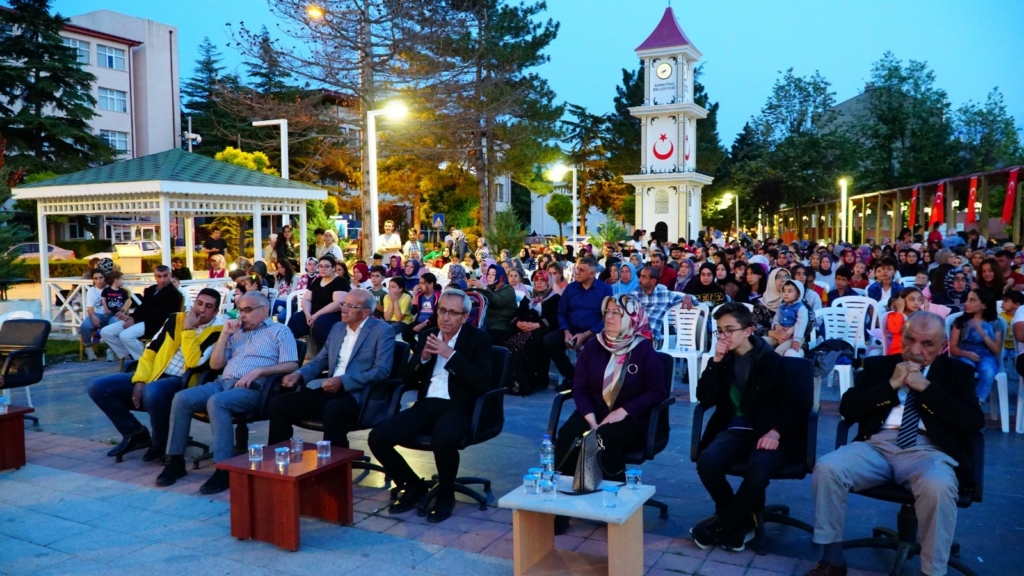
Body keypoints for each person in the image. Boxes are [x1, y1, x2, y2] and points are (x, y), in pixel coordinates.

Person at [805, 312, 984, 576]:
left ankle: (932, 571)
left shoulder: (957, 373)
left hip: (929, 450)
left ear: (942, 345)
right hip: (877, 444)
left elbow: (972, 422)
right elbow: (849, 408)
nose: (915, 350)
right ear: (901, 336)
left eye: (927, 344)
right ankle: (832, 560)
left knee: (938, 486)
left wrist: (926, 387)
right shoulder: (879, 366)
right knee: (829, 468)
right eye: (910, 340)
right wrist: (891, 385)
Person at [691, 303, 811, 551]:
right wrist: (714, 361)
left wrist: (776, 432)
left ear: (748, 330)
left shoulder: (771, 361)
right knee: (707, 462)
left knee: (758, 469)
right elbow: (705, 397)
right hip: (735, 428)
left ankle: (723, 524)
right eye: (720, 331)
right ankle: (742, 521)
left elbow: (797, 406)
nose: (724, 336)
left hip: (770, 431)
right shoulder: (723, 360)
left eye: (729, 330)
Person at [368, 290, 493, 524]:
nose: (445, 317)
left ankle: (446, 496)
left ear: (465, 316)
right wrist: (423, 358)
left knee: (443, 440)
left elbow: (483, 382)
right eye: (442, 310)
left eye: (453, 313)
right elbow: (406, 377)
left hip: (459, 406)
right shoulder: (428, 335)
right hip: (427, 404)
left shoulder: (479, 340)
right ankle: (413, 486)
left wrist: (450, 355)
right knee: (378, 437)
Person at [157, 292, 299, 494]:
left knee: (217, 402)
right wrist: (225, 335)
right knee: (182, 398)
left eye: (248, 310)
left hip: (254, 388)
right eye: (240, 310)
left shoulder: (280, 331)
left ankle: (224, 468)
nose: (242, 315)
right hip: (223, 382)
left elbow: (292, 363)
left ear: (264, 309)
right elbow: (216, 364)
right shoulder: (236, 333)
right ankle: (175, 460)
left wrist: (259, 371)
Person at [552, 294, 668, 535]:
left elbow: (657, 391)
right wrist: (590, 418)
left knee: (605, 437)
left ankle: (618, 503)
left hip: (633, 416)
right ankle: (560, 508)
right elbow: (579, 387)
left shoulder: (642, 348)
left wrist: (623, 412)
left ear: (631, 317)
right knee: (568, 435)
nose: (611, 317)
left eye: (617, 312)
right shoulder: (594, 345)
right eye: (608, 312)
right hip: (594, 411)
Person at [87, 289, 224, 463]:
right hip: (155, 374)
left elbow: (194, 363)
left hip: (184, 381)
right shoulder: (176, 319)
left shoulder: (217, 332)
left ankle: (161, 443)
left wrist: (189, 330)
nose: (201, 310)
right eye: (199, 303)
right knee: (98, 387)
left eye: (208, 306)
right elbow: (151, 350)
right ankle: (135, 434)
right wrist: (140, 380)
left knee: (153, 392)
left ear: (215, 311)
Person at [268, 289, 395, 447]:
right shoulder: (338, 328)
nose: (344, 309)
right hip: (330, 389)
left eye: (350, 306)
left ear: (365, 313)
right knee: (279, 403)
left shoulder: (382, 331)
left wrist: (343, 381)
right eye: (343, 304)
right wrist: (299, 374)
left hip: (359, 394)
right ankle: (278, 456)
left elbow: (382, 370)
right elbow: (320, 360)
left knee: (333, 409)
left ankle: (337, 466)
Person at [543, 258, 613, 389]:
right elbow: (561, 312)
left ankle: (589, 382)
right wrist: (566, 331)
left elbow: (607, 317)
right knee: (549, 340)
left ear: (592, 274)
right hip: (571, 329)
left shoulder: (605, 290)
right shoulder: (571, 288)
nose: (577, 272)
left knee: (595, 345)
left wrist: (585, 334)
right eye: (576, 269)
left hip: (593, 332)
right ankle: (571, 376)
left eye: (581, 270)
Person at [101, 266, 183, 362]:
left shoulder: (174, 294)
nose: (162, 279)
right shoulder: (152, 289)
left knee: (126, 335)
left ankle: (145, 361)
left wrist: (134, 320)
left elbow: (160, 314)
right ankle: (133, 355)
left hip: (157, 324)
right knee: (106, 332)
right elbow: (143, 307)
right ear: (155, 276)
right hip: (141, 319)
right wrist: (130, 317)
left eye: (165, 276)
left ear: (170, 275)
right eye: (159, 276)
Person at [506, 270, 561, 395]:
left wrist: (538, 324)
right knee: (508, 341)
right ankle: (513, 378)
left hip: (542, 329)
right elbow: (516, 314)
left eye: (542, 280)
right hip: (524, 329)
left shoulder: (554, 298)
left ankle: (539, 379)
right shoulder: (529, 297)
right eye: (537, 280)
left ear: (548, 283)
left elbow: (554, 318)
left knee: (534, 342)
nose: (539, 283)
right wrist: (519, 323)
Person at [949, 287, 1002, 402]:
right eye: (967, 299)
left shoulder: (996, 323)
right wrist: (964, 353)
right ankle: (964, 400)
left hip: (987, 355)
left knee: (988, 371)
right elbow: (952, 346)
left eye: (972, 300)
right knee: (964, 369)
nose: (966, 303)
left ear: (983, 305)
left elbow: (996, 350)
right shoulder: (960, 321)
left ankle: (978, 401)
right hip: (964, 353)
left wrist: (981, 332)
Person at [287, 255, 348, 353]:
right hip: (312, 315)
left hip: (331, 315)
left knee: (321, 323)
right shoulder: (318, 280)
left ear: (333, 268)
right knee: (296, 319)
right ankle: (291, 354)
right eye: (320, 266)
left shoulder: (340, 281)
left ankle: (328, 355)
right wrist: (308, 315)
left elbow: (338, 304)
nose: (323, 269)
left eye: (326, 266)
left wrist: (316, 315)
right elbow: (306, 299)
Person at [631, 266, 688, 349]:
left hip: (650, 338)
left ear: (653, 281)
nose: (639, 280)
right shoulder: (633, 295)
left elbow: (693, 300)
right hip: (632, 335)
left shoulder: (665, 294)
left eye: (643, 277)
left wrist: (688, 297)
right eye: (640, 276)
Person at [468, 264, 518, 344]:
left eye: (494, 274)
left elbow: (499, 302)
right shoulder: (490, 288)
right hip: (486, 324)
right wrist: (470, 288)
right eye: (488, 274)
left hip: (500, 325)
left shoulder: (508, 289)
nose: (490, 277)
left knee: (483, 341)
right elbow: (475, 301)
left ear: (500, 276)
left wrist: (484, 288)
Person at [764, 278, 807, 357]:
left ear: (798, 294)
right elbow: (775, 319)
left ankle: (775, 367)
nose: (786, 294)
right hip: (779, 334)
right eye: (784, 291)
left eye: (790, 291)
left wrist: (796, 339)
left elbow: (801, 324)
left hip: (794, 336)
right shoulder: (782, 307)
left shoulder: (801, 308)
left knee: (778, 351)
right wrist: (776, 326)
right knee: (763, 342)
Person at [80, 270, 111, 361]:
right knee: (85, 326)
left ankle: (111, 350)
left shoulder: (110, 288)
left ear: (105, 278)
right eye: (95, 278)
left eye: (101, 278)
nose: (99, 281)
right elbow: (90, 308)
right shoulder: (91, 291)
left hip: (111, 314)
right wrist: (93, 317)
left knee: (115, 325)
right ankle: (88, 349)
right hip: (97, 314)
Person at [404, 273, 440, 348]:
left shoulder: (438, 296)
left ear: (431, 284)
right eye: (419, 283)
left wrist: (422, 325)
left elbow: (436, 315)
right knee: (405, 333)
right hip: (419, 321)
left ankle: (420, 352)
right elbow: (413, 312)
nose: (420, 286)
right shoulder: (419, 295)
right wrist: (414, 295)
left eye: (423, 283)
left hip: (432, 323)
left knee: (423, 334)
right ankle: (416, 349)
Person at [885, 287, 924, 355]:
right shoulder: (892, 315)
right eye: (912, 300)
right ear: (902, 300)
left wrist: (926, 310)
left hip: (918, 353)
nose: (916, 303)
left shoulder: (921, 316)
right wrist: (900, 310)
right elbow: (895, 329)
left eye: (919, 300)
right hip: (899, 352)